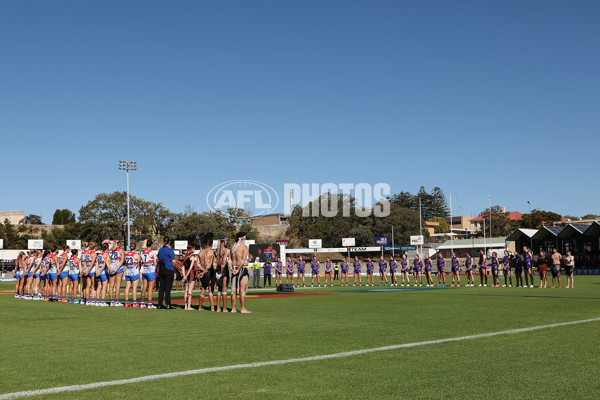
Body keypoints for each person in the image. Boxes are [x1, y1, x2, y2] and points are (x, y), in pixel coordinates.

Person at [230, 232, 251, 313]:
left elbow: (229, 260)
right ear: (243, 238)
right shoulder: (244, 247)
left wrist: (232, 269)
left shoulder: (232, 247)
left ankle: (233, 308)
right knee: (242, 290)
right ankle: (243, 308)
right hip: (241, 269)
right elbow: (242, 260)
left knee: (234, 290)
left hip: (233, 269)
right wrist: (238, 270)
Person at [157, 236, 176, 309]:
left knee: (161, 288)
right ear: (169, 242)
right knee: (168, 288)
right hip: (168, 269)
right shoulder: (170, 251)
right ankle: (168, 304)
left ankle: (160, 304)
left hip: (161, 269)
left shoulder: (160, 250)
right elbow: (174, 261)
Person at [140, 239, 157, 309]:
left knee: (144, 288)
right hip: (151, 271)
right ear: (152, 245)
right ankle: (150, 304)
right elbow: (155, 263)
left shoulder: (142, 253)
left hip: (144, 271)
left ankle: (142, 303)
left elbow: (142, 263)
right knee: (150, 289)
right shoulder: (152, 253)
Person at [123, 243, 141, 307]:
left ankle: (126, 302)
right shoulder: (136, 255)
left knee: (127, 287)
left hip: (128, 272)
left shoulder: (126, 255)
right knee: (134, 288)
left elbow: (126, 263)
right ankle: (135, 303)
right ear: (135, 248)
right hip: (134, 272)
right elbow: (139, 264)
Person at [107, 240, 125, 306]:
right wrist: (116, 269)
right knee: (117, 286)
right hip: (118, 268)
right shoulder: (120, 250)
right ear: (119, 243)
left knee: (111, 286)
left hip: (111, 267)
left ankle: (112, 301)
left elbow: (107, 261)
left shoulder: (110, 250)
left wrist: (110, 269)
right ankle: (117, 302)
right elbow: (122, 261)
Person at [216, 237, 231, 312]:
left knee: (219, 289)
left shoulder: (217, 250)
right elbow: (224, 262)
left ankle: (218, 307)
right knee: (224, 288)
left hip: (218, 268)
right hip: (223, 269)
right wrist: (221, 273)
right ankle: (224, 308)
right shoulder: (225, 250)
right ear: (224, 241)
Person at [181, 244, 197, 311]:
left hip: (186, 273)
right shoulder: (192, 257)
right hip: (191, 274)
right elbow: (191, 268)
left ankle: (185, 306)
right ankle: (189, 306)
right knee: (190, 291)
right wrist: (187, 275)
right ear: (192, 249)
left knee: (186, 290)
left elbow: (183, 267)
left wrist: (184, 275)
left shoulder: (185, 257)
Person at [95, 240, 111, 306]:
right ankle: (102, 301)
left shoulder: (99, 254)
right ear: (107, 247)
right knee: (104, 287)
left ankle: (97, 301)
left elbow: (97, 263)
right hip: (103, 271)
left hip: (99, 271)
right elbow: (105, 264)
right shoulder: (106, 254)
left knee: (99, 287)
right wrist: (101, 271)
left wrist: (97, 271)